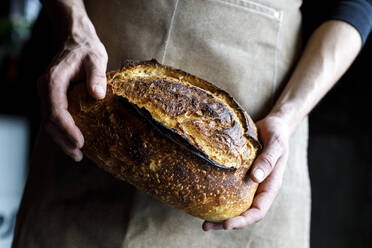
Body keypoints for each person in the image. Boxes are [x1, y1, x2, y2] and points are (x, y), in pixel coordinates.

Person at [11, 0, 372, 247]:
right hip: (90, 112)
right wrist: (73, 26)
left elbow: (354, 5)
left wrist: (287, 115)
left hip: (261, 141)